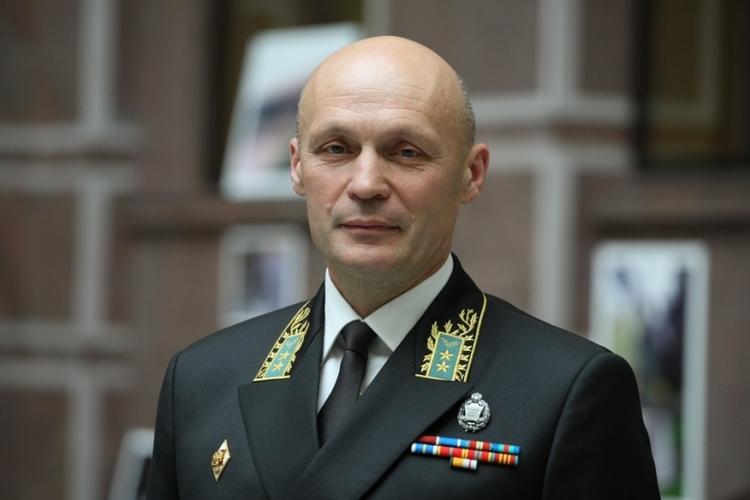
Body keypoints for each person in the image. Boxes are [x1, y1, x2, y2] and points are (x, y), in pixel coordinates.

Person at [147, 36, 659, 500]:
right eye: (336, 149)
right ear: (298, 167)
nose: (366, 183)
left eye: (406, 152)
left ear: (472, 173)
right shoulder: (201, 380)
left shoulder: (565, 391)